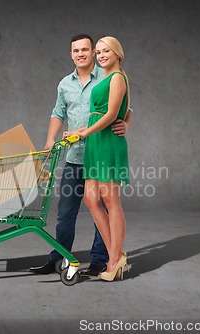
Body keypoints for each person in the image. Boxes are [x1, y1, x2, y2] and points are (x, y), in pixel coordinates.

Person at [29, 34, 133, 276]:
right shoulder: (65, 83)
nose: (82, 54)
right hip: (76, 154)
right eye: (77, 50)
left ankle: (102, 259)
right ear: (71, 54)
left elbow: (124, 108)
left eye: (87, 49)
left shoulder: (106, 75)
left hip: (100, 150)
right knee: (68, 209)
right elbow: (58, 113)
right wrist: (49, 140)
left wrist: (126, 124)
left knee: (105, 204)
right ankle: (60, 257)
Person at [70, 36, 131, 281]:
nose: (101, 55)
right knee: (90, 199)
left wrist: (85, 131)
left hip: (106, 142)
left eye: (106, 51)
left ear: (117, 53)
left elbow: (113, 113)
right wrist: (80, 131)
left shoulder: (117, 78)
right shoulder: (107, 78)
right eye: (99, 52)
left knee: (110, 199)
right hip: (96, 141)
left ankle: (114, 259)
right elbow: (110, 112)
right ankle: (115, 254)